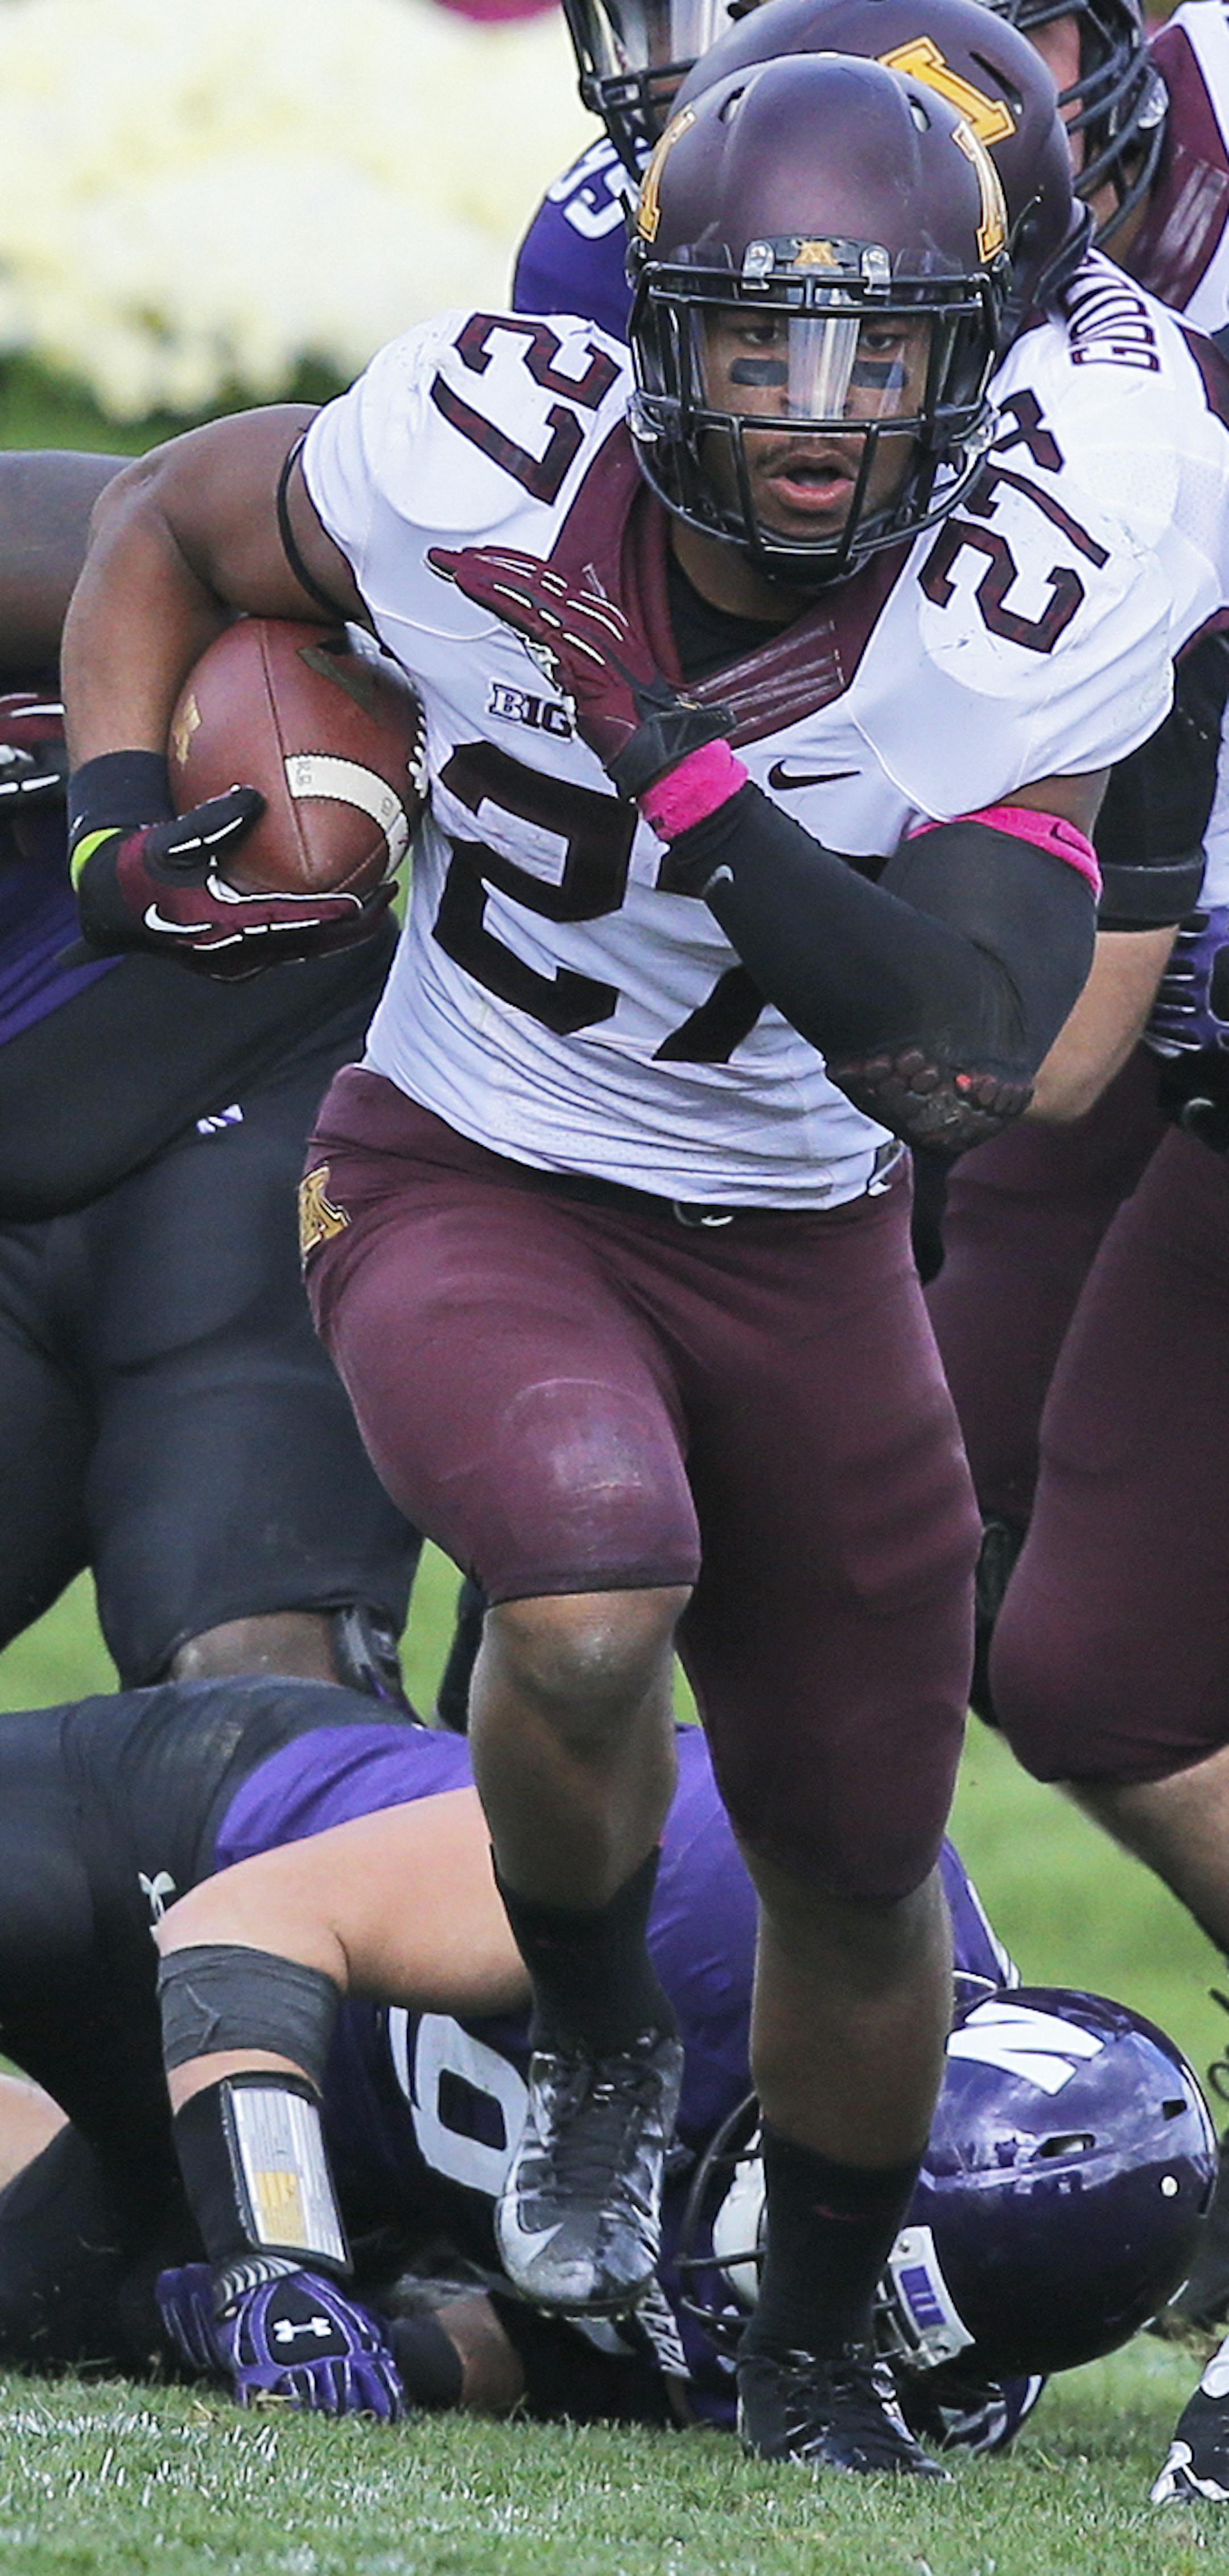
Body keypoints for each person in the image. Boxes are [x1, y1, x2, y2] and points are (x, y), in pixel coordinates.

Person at [57, 54, 1211, 2476]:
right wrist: (106, 828)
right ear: (650, 329)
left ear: (971, 366)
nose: (811, 413)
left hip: (803, 1235)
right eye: (755, 344)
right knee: (587, 1586)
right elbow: (165, 513)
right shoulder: (487, 446)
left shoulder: (1054, 565)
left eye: (877, 356)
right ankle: (583, 2026)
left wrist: (667, 756)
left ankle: (803, 2354)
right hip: (471, 1159)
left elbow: (963, 1069)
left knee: (859, 1847)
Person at [0, 1671, 1212, 2453]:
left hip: (348, 2182)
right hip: (181, 1847)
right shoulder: (747, 1898)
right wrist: (277, 2261)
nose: (769, 2264)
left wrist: (400, 2356)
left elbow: (588, 2352)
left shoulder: (943, 2367)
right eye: (804, 2217)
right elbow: (248, 1927)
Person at [0, 450, 418, 1702]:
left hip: (243, 1072)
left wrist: (118, 810)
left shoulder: (39, 537)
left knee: (260, 1692)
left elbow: (170, 523)